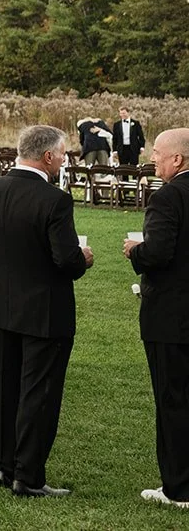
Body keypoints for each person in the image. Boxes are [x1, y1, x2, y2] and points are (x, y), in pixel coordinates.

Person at [0, 124, 93, 496]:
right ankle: (29, 475)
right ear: (48, 156)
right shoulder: (55, 200)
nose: (65, 160)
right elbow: (66, 260)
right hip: (44, 310)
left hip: (3, 303)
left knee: (6, 389)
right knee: (40, 393)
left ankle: (4, 466)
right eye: (63, 154)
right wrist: (83, 258)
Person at [126, 127, 189, 510]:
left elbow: (159, 253)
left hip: (172, 315)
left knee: (173, 400)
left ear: (177, 159)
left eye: (158, 153)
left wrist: (136, 250)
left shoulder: (168, 196)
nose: (152, 158)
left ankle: (178, 488)